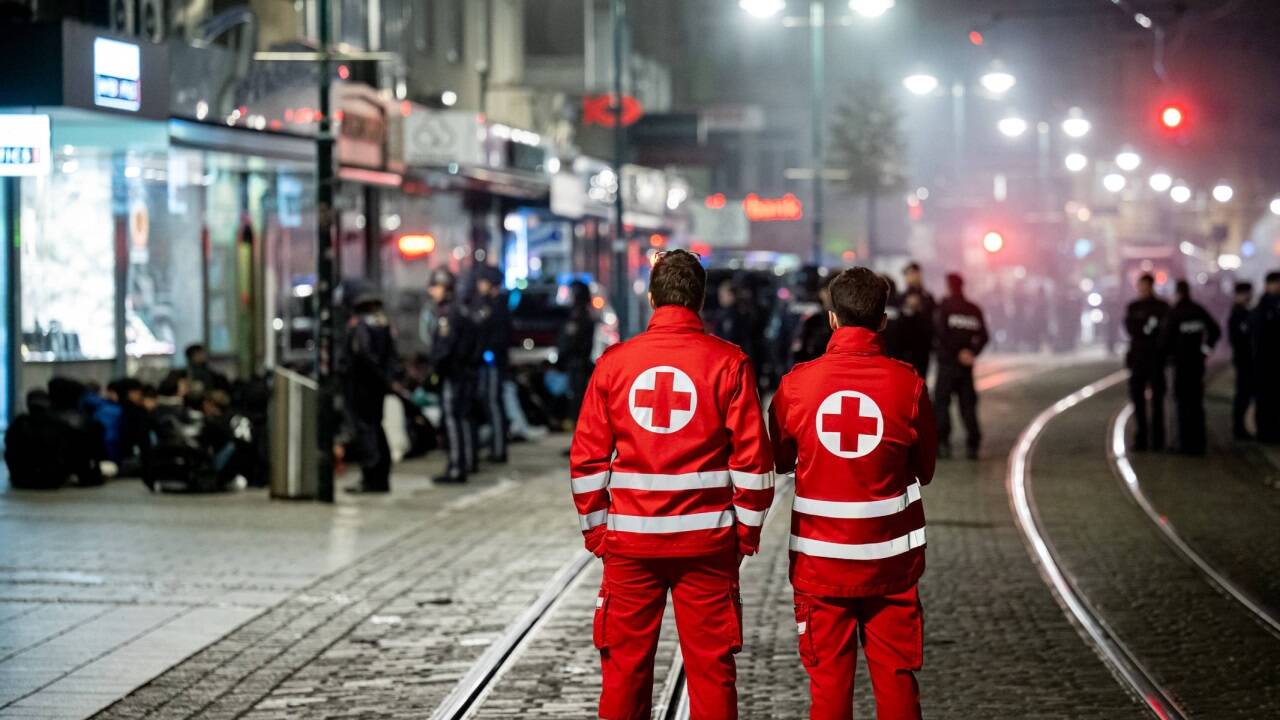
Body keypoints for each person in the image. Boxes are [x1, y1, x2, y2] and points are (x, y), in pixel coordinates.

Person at [570, 249, 774, 719]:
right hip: (707, 544)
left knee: (623, 668)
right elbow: (754, 465)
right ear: (700, 299)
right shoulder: (729, 363)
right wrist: (743, 534)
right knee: (711, 670)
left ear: (650, 297)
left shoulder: (614, 364)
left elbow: (586, 461)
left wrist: (599, 533)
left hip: (631, 544)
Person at [768, 267, 937, 720]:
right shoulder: (909, 385)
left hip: (821, 565)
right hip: (892, 566)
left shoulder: (797, 386)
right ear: (883, 321)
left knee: (828, 685)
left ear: (832, 320)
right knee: (897, 680)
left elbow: (781, 459)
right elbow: (926, 469)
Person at [342, 294, 403, 493]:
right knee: (377, 427)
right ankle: (380, 475)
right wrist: (387, 380)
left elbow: (362, 354)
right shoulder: (383, 324)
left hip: (362, 386)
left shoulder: (359, 325)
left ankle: (372, 476)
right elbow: (393, 356)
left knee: (365, 429)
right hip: (377, 386)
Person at [422, 268, 478, 483]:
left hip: (454, 374)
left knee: (453, 419)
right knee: (461, 417)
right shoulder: (459, 311)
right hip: (461, 373)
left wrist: (435, 369)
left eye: (436, 287)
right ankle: (465, 462)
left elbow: (445, 348)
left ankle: (457, 466)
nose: (432, 291)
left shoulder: (448, 314)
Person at [1161, 280, 1221, 455]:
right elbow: (1215, 331)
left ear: (1177, 293)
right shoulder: (1198, 311)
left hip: (1180, 365)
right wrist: (1205, 350)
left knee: (1182, 404)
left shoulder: (1174, 313)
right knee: (1196, 403)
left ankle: (1184, 443)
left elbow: (1165, 341)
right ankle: (1199, 442)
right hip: (1197, 364)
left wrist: (1166, 359)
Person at [933, 273, 988, 459]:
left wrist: (957, 353)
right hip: (965, 368)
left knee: (941, 403)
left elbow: (940, 334)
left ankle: (943, 442)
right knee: (968, 405)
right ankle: (973, 444)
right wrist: (971, 352)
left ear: (948, 287)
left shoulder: (944, 308)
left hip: (948, 365)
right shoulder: (973, 309)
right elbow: (984, 336)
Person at [1124, 273, 1171, 451]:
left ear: (1151, 286)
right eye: (1140, 287)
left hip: (1156, 360)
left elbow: (1164, 331)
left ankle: (1158, 440)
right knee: (1138, 401)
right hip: (1138, 359)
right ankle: (1142, 438)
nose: (1142, 290)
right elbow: (1130, 329)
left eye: (1145, 286)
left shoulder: (1162, 307)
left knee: (1158, 401)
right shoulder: (1133, 307)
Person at [472, 265, 512, 463]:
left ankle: (499, 448)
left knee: (494, 402)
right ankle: (496, 446)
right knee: (490, 401)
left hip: (494, 362)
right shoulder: (489, 303)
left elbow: (496, 335)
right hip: (490, 361)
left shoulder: (497, 305)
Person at [557, 280, 596, 423]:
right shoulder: (579, 314)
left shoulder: (579, 316)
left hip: (577, 361)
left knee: (577, 394)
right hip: (576, 360)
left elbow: (575, 340)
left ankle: (575, 419)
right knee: (575, 393)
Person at [1251, 271, 1280, 444]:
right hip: (1264, 363)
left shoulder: (1263, 306)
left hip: (1269, 362)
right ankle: (1265, 433)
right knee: (1265, 399)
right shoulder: (1262, 307)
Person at [898, 262, 936, 379]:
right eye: (908, 275)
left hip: (923, 347)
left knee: (921, 379)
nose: (910, 277)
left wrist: (919, 308)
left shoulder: (927, 298)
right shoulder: (901, 297)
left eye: (913, 274)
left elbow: (933, 321)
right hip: (904, 348)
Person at [1227, 282, 1255, 440]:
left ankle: (1240, 428)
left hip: (1244, 360)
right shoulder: (1239, 314)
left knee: (1244, 395)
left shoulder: (1241, 312)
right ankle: (1239, 429)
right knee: (1243, 395)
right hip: (1244, 361)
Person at [792, 278, 834, 365]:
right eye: (827, 291)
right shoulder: (812, 321)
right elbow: (798, 353)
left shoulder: (846, 322)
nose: (831, 296)